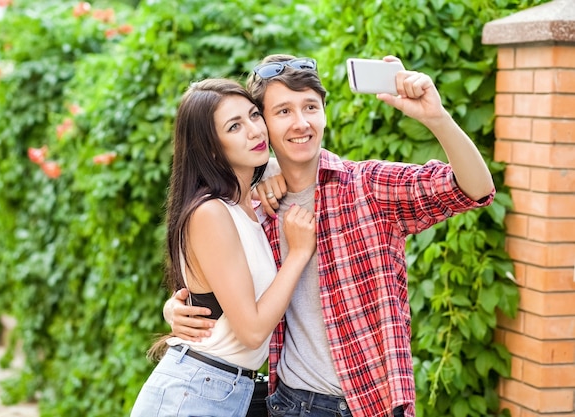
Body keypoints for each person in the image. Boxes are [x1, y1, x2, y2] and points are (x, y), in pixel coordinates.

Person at [163, 55, 495, 417]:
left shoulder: (367, 186)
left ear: (324, 112)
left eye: (310, 106)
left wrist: (437, 118)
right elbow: (229, 292)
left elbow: (473, 189)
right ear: (266, 125)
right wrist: (179, 308)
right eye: (283, 112)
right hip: (290, 403)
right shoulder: (255, 209)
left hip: (372, 403)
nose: (301, 123)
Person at [129, 78, 316, 417]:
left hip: (225, 391)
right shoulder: (210, 212)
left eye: (254, 115)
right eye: (234, 126)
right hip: (194, 393)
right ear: (211, 147)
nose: (255, 131)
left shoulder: (247, 204)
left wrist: (273, 171)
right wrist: (299, 254)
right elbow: (252, 330)